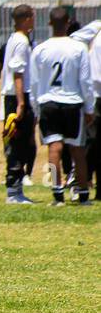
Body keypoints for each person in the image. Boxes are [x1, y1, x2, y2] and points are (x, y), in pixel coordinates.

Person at [29, 6, 95, 206]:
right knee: (77, 150)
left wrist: (35, 108)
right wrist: (89, 108)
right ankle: (83, 194)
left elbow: (33, 83)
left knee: (54, 148)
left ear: (49, 24)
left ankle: (57, 194)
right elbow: (86, 81)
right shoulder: (78, 48)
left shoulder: (40, 49)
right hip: (72, 103)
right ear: (69, 23)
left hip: (48, 102)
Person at [0, 4, 36, 204]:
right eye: (32, 17)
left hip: (11, 97)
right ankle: (14, 192)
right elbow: (18, 73)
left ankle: (16, 190)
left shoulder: (13, 39)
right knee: (18, 144)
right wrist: (22, 103)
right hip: (16, 97)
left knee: (17, 144)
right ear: (27, 18)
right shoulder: (21, 41)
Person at [69, 19, 101, 195]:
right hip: (96, 94)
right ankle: (81, 182)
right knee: (91, 142)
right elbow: (73, 39)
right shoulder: (97, 27)